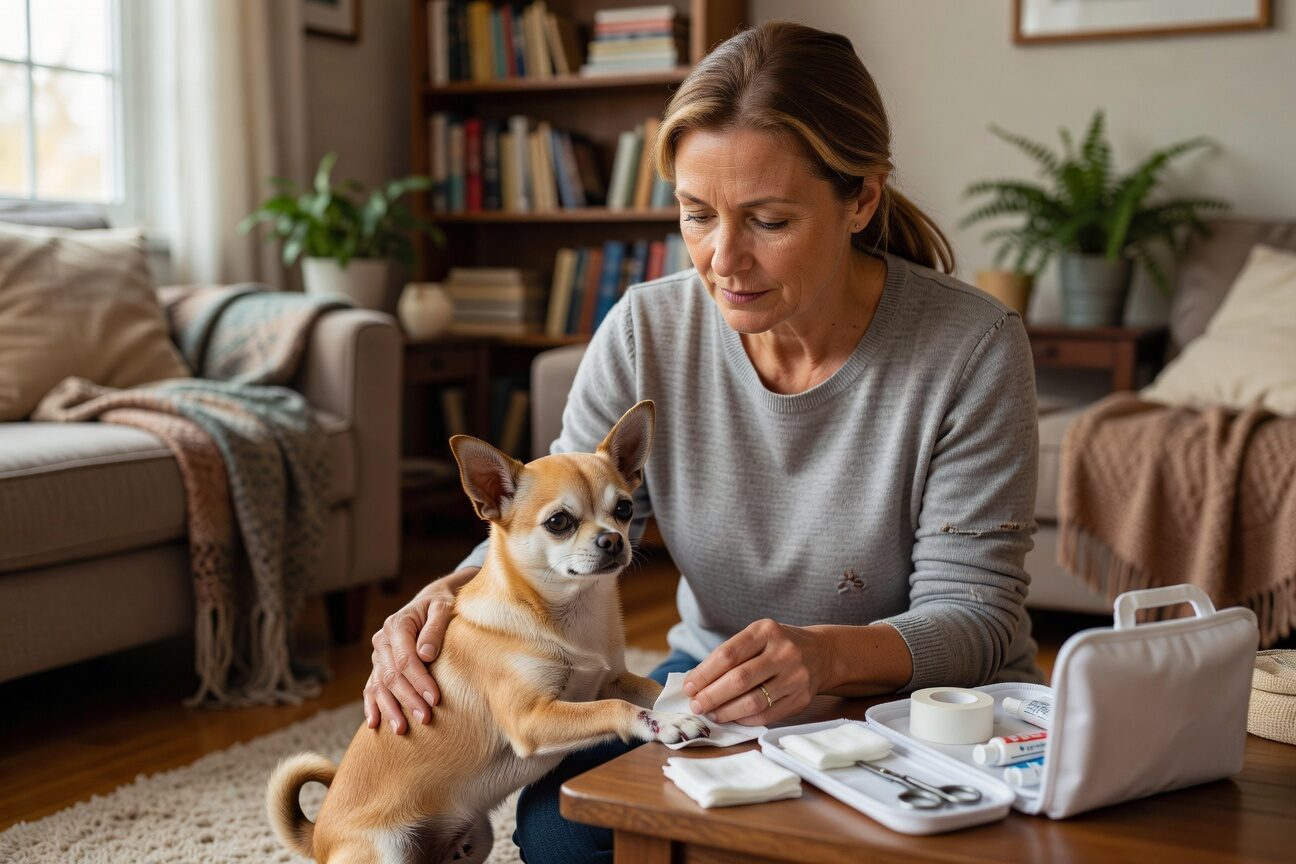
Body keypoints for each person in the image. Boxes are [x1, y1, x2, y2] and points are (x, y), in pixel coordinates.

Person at [366, 20, 1041, 863]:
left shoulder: (971, 347)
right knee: (562, 839)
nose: (724, 260)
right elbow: (550, 515)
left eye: (768, 220)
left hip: (927, 706)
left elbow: (977, 615)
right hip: (716, 687)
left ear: (861, 197)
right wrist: (435, 606)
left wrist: (824, 658)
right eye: (696, 214)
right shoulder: (646, 329)